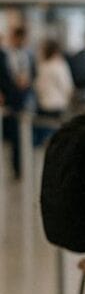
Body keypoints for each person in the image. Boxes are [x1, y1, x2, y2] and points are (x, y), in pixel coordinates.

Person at [3, 25, 36, 179]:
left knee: (26, 134)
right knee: (15, 135)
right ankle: (18, 168)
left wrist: (27, 82)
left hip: (26, 98)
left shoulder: (29, 55)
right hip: (11, 98)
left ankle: (24, 166)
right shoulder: (4, 55)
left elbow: (34, 73)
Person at [33, 38, 73, 145]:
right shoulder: (59, 65)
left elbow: (37, 86)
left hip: (43, 104)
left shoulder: (42, 66)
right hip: (57, 106)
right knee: (57, 139)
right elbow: (67, 86)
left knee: (44, 138)